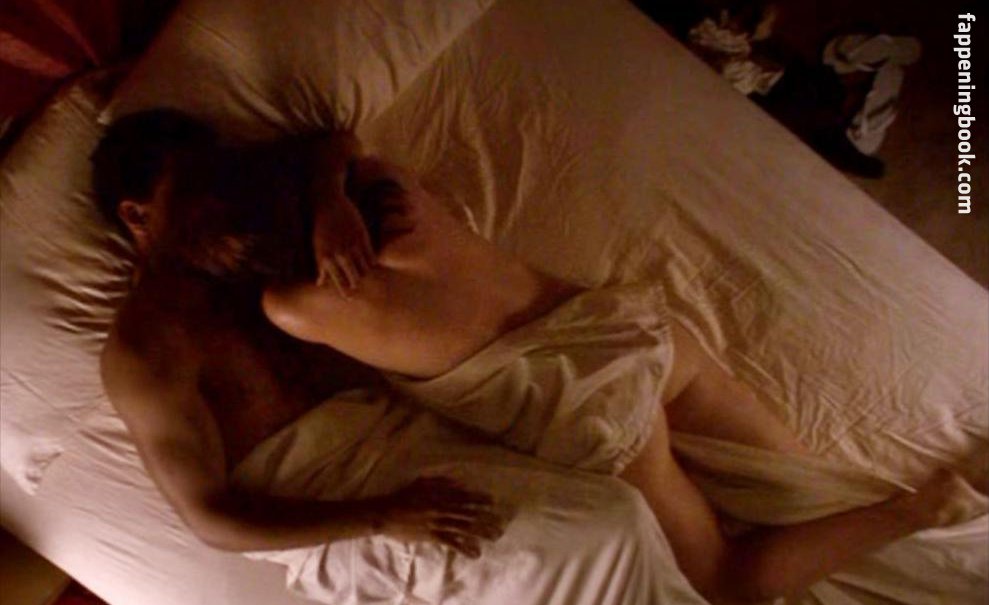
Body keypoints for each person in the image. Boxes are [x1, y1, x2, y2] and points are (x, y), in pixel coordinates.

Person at [241, 154, 982, 604]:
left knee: (726, 581)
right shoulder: (388, 181)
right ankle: (937, 532)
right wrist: (330, 189)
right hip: (629, 333)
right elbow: (334, 138)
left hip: (583, 404)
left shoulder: (298, 305)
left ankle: (919, 509)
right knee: (802, 486)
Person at [92, 109, 506, 558]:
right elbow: (211, 521)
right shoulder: (142, 347)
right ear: (137, 214)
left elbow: (337, 143)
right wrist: (385, 517)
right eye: (197, 189)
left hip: (424, 441)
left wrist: (330, 202)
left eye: (221, 178)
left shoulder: (247, 253)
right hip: (349, 516)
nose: (221, 199)